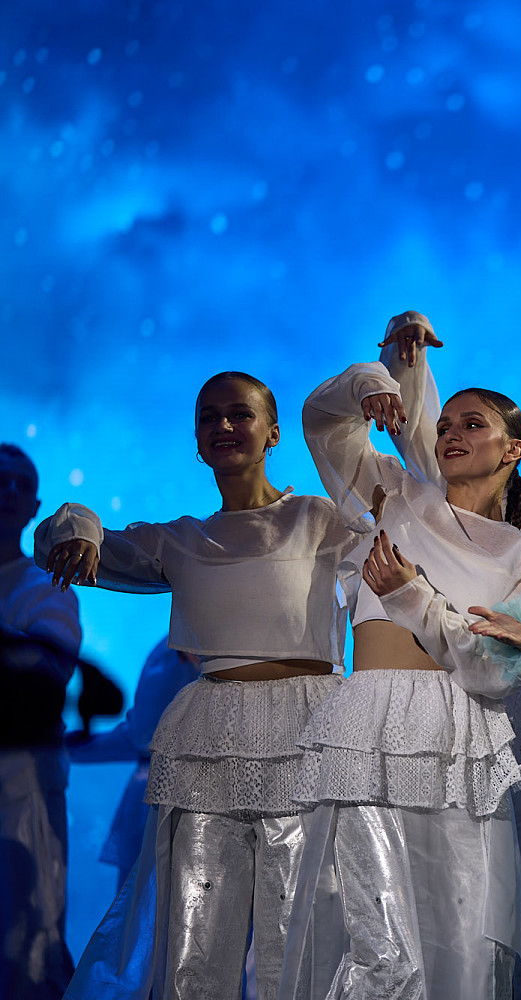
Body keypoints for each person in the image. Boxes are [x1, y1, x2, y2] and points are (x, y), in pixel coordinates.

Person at [285, 328, 521, 1000]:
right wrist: (371, 382)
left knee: (464, 931)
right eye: (444, 425)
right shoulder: (394, 495)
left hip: (459, 738)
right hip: (370, 724)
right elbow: (322, 422)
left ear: (513, 449)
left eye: (472, 425)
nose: (451, 434)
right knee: (373, 935)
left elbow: (493, 673)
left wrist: (413, 599)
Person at [44, 373, 358, 1000]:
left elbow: (399, 516)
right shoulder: (179, 540)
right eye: (209, 417)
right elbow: (60, 539)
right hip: (210, 736)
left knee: (299, 926)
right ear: (195, 439)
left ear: (273, 433)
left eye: (240, 414)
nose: (224, 426)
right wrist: (75, 525)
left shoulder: (318, 518)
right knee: (196, 932)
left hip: (306, 730)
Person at [373, 311, 521, 996]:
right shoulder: (502, 509)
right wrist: (405, 361)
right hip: (475, 708)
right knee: (482, 891)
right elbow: (427, 440)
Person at [1, 442, 79, 999]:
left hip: (20, 785)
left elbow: (47, 679)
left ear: (34, 507)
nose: (7, 492)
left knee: (26, 940)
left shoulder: (44, 587)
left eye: (19, 485)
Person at [66, 638, 198, 890]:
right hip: (157, 796)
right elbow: (141, 735)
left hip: (174, 799)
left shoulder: (177, 649)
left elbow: (142, 735)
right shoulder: (171, 649)